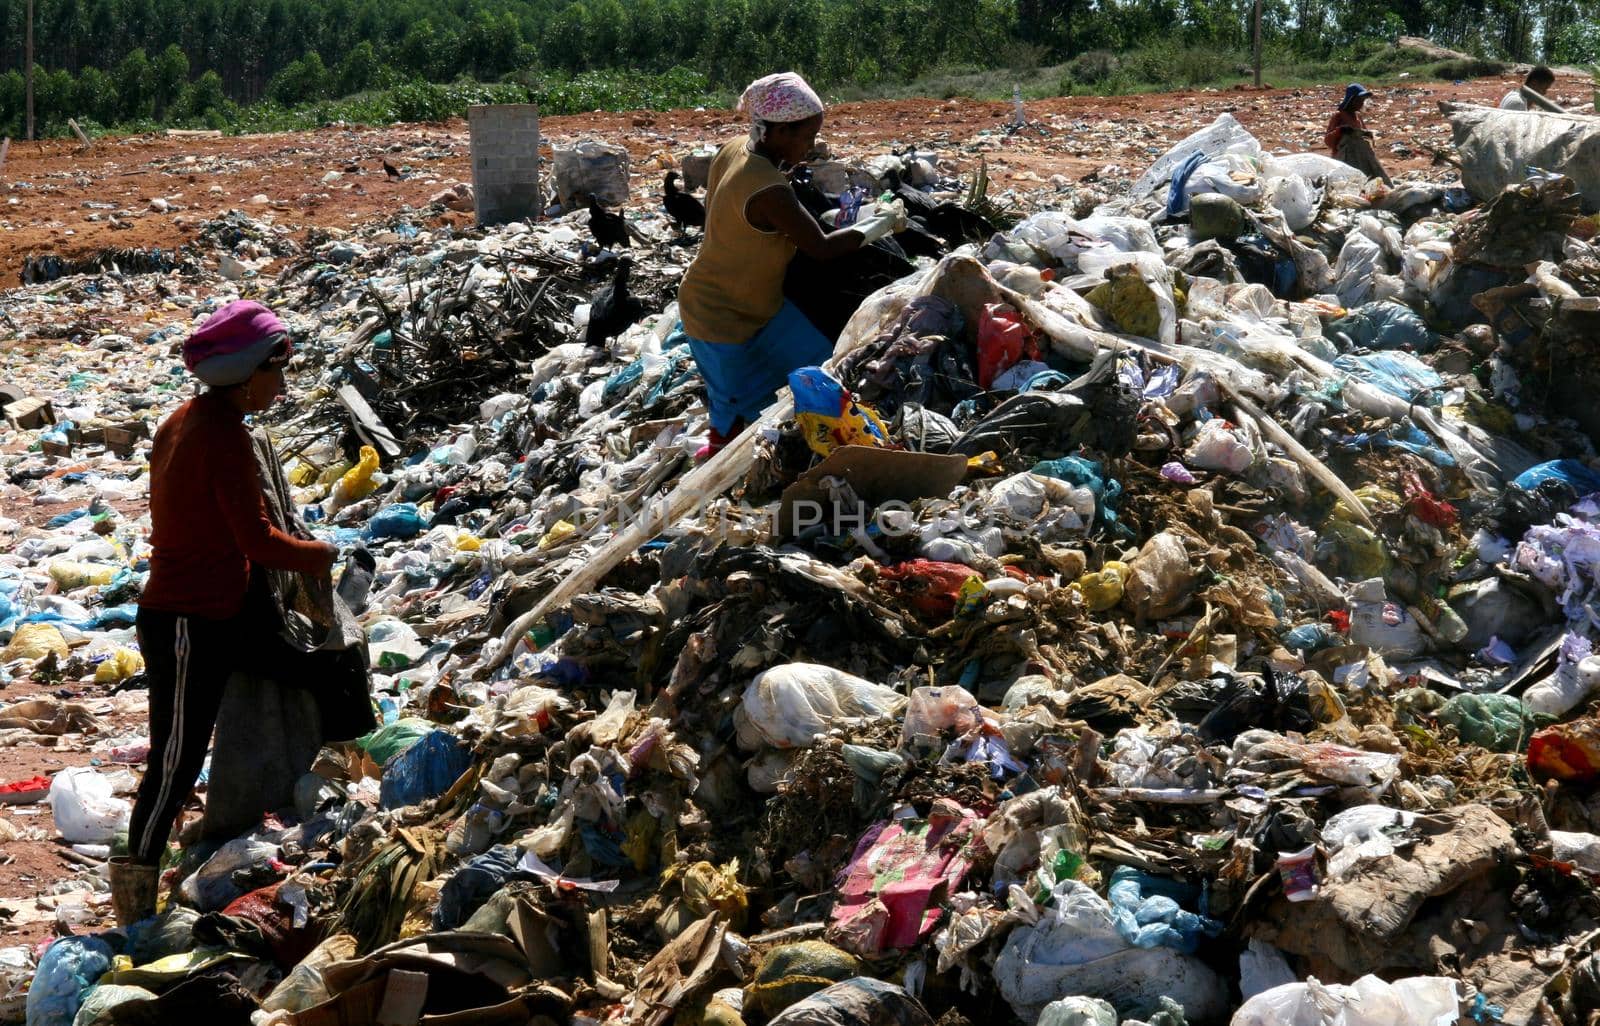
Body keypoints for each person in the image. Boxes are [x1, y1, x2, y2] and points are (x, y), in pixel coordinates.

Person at [109, 300, 339, 926]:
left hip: (221, 612)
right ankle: (135, 890)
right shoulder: (222, 436)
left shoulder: (182, 420)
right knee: (175, 758)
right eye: (276, 371)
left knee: (319, 672)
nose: (282, 386)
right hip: (185, 620)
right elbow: (258, 541)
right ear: (246, 373)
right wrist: (323, 553)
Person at [674, 71, 906, 459]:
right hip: (718, 316)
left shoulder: (734, 149)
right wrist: (879, 223)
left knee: (826, 372)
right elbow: (823, 248)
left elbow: (751, 219)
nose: (812, 146)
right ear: (777, 132)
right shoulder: (768, 187)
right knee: (736, 422)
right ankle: (721, 475)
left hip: (761, 307)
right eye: (806, 136)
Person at [1324, 83, 1392, 186]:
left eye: (1362, 101)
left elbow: (1367, 137)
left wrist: (1368, 136)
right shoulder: (1339, 116)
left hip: (1362, 158)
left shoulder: (1358, 117)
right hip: (1344, 159)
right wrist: (1341, 131)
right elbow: (1328, 141)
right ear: (1351, 100)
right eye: (1358, 101)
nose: (1361, 103)